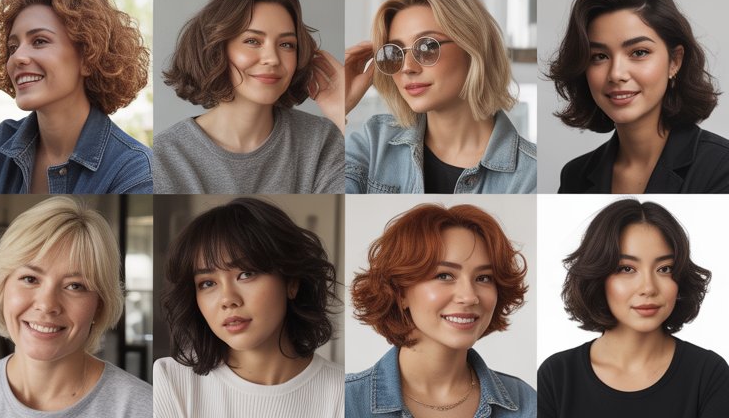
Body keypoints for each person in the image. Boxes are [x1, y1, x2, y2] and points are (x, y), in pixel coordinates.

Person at [0, 196, 153, 414]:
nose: (47, 304)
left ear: (99, 304)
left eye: (74, 286)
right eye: (30, 279)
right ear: (1, 287)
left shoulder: (145, 407)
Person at [538, 199, 729, 416]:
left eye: (665, 268)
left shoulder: (708, 373)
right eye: (627, 269)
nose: (648, 287)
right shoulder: (557, 376)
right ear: (597, 277)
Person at [152, 0, 344, 194]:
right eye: (253, 41)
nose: (272, 58)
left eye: (286, 45)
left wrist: (340, 111)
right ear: (216, 50)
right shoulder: (164, 156)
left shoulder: (321, 140)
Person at [154, 197, 342, 416]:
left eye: (246, 274)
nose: (228, 299)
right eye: (207, 283)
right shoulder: (171, 380)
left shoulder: (340, 391)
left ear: (291, 282)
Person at [0, 0, 151, 194]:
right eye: (12, 47)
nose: (17, 57)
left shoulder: (133, 168)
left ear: (88, 57)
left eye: (40, 41)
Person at [345, 0, 535, 194]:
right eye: (395, 53)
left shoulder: (531, 175)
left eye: (426, 47)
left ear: (472, 48)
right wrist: (340, 105)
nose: (407, 67)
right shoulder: (374, 142)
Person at [347, 202, 536, 417]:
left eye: (483, 278)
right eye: (444, 276)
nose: (469, 296)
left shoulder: (526, 404)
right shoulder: (348, 401)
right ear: (399, 291)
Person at [547, 0, 729, 194]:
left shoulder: (720, 167)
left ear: (675, 61)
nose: (616, 74)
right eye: (599, 56)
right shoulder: (575, 176)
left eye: (639, 52)